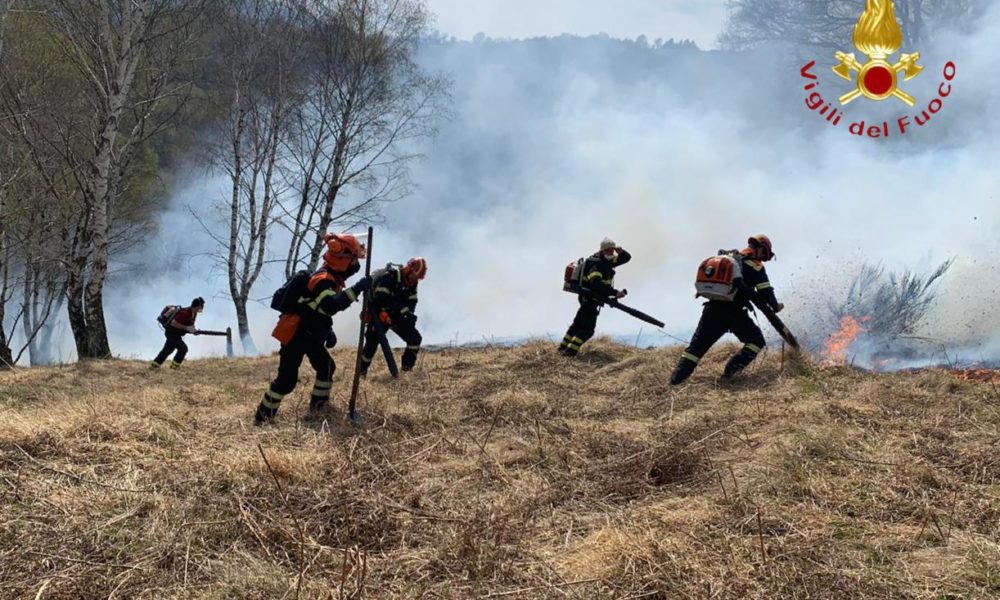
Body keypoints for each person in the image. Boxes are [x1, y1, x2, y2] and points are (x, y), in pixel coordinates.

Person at [254, 234, 370, 425]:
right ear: (343, 259)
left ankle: (318, 407)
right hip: (295, 334)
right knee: (286, 382)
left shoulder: (332, 278)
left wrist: (328, 330)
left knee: (326, 367)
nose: (355, 265)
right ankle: (263, 417)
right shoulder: (323, 279)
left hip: (310, 334)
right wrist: (357, 289)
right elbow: (330, 306)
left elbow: (317, 310)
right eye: (353, 259)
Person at [669, 234, 784, 385]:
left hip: (712, 310)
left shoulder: (729, 259)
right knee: (756, 341)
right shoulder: (755, 267)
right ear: (761, 249)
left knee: (695, 350)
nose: (763, 259)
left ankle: (675, 381)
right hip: (734, 313)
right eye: (765, 255)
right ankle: (729, 373)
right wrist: (775, 306)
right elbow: (766, 293)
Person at [558, 238, 631, 357]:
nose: (611, 253)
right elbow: (595, 285)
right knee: (588, 330)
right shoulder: (597, 264)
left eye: (612, 251)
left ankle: (562, 349)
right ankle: (569, 353)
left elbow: (626, 258)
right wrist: (615, 292)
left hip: (589, 299)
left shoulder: (607, 261)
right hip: (589, 299)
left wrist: (621, 251)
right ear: (602, 250)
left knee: (577, 325)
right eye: (608, 250)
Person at [358, 257, 427, 377]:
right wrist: (399, 310)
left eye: (418, 278)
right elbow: (381, 297)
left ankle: (406, 371)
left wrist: (408, 316)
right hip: (380, 312)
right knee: (372, 341)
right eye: (415, 276)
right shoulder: (390, 276)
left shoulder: (412, 283)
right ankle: (360, 373)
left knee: (415, 338)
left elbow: (412, 302)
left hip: (396, 314)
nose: (415, 280)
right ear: (409, 270)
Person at [150, 297, 204, 370]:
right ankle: (174, 367)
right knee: (183, 349)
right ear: (197, 306)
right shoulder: (185, 313)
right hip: (171, 333)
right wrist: (186, 328)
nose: (201, 309)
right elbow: (174, 323)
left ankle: (154, 366)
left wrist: (194, 331)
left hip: (176, 334)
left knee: (167, 350)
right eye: (201, 306)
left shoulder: (193, 314)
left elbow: (189, 325)